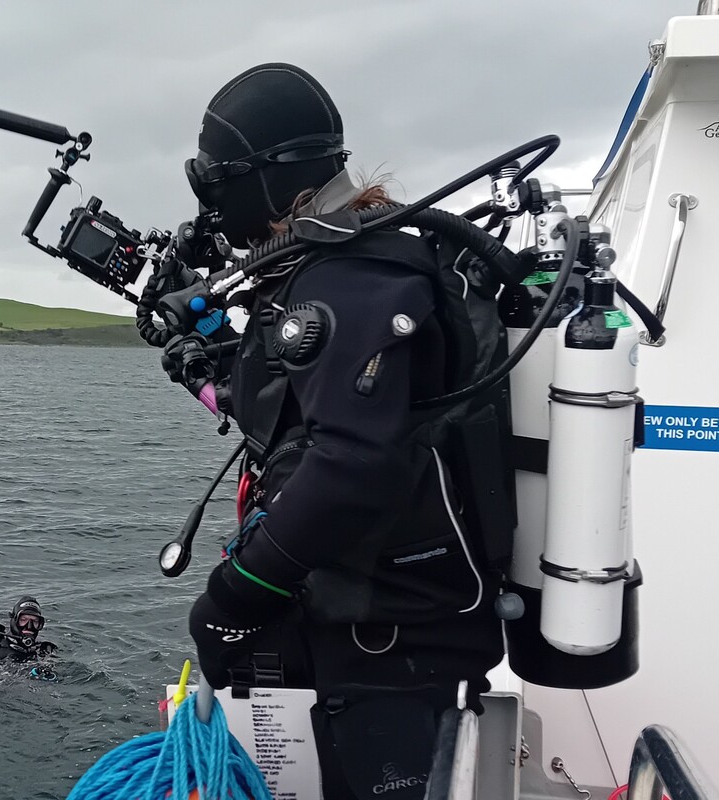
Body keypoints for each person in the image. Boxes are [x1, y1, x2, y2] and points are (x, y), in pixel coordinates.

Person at [176, 63, 508, 799]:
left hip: (392, 645)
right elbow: (311, 412)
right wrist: (216, 372)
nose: (207, 195)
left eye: (215, 176)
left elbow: (355, 462)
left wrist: (233, 599)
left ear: (267, 176)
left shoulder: (350, 274)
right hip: (373, 623)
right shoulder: (334, 265)